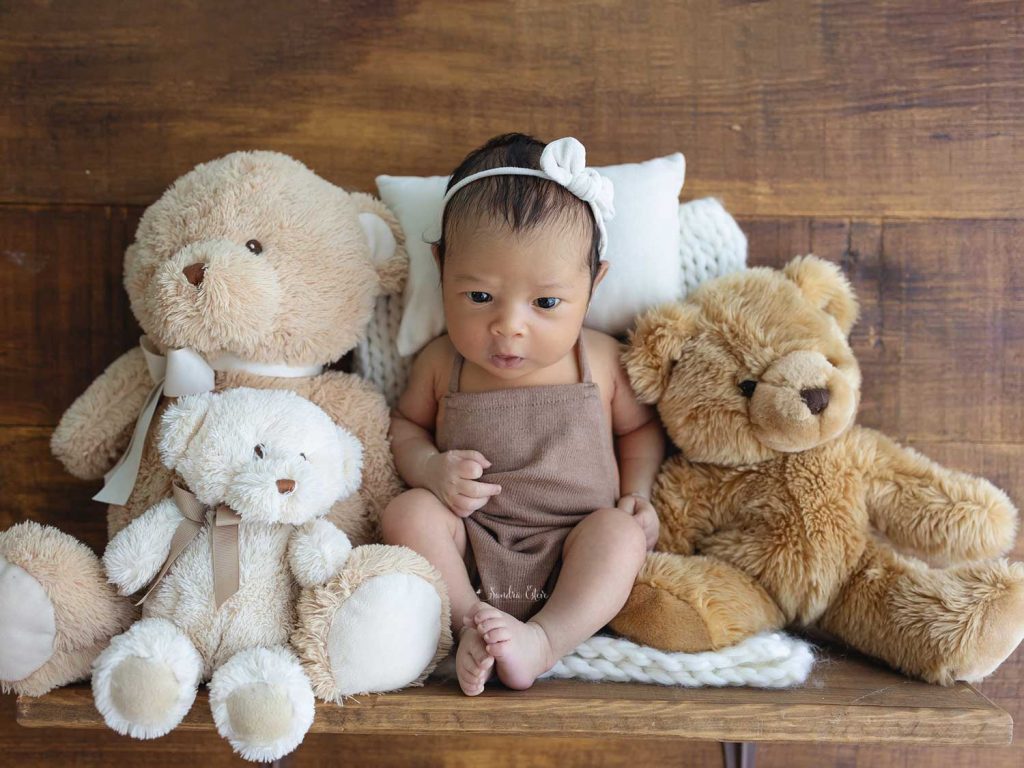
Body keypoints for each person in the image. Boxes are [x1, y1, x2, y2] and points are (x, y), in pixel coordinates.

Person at [381, 133, 664, 696]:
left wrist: (638, 493)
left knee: (620, 535)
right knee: (407, 513)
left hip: (574, 551)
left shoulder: (601, 360)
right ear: (441, 268)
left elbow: (639, 428)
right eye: (480, 297)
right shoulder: (441, 363)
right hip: (471, 547)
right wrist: (430, 468)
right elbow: (403, 427)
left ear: (594, 284)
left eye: (546, 303)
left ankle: (545, 639)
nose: (509, 326)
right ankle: (471, 624)